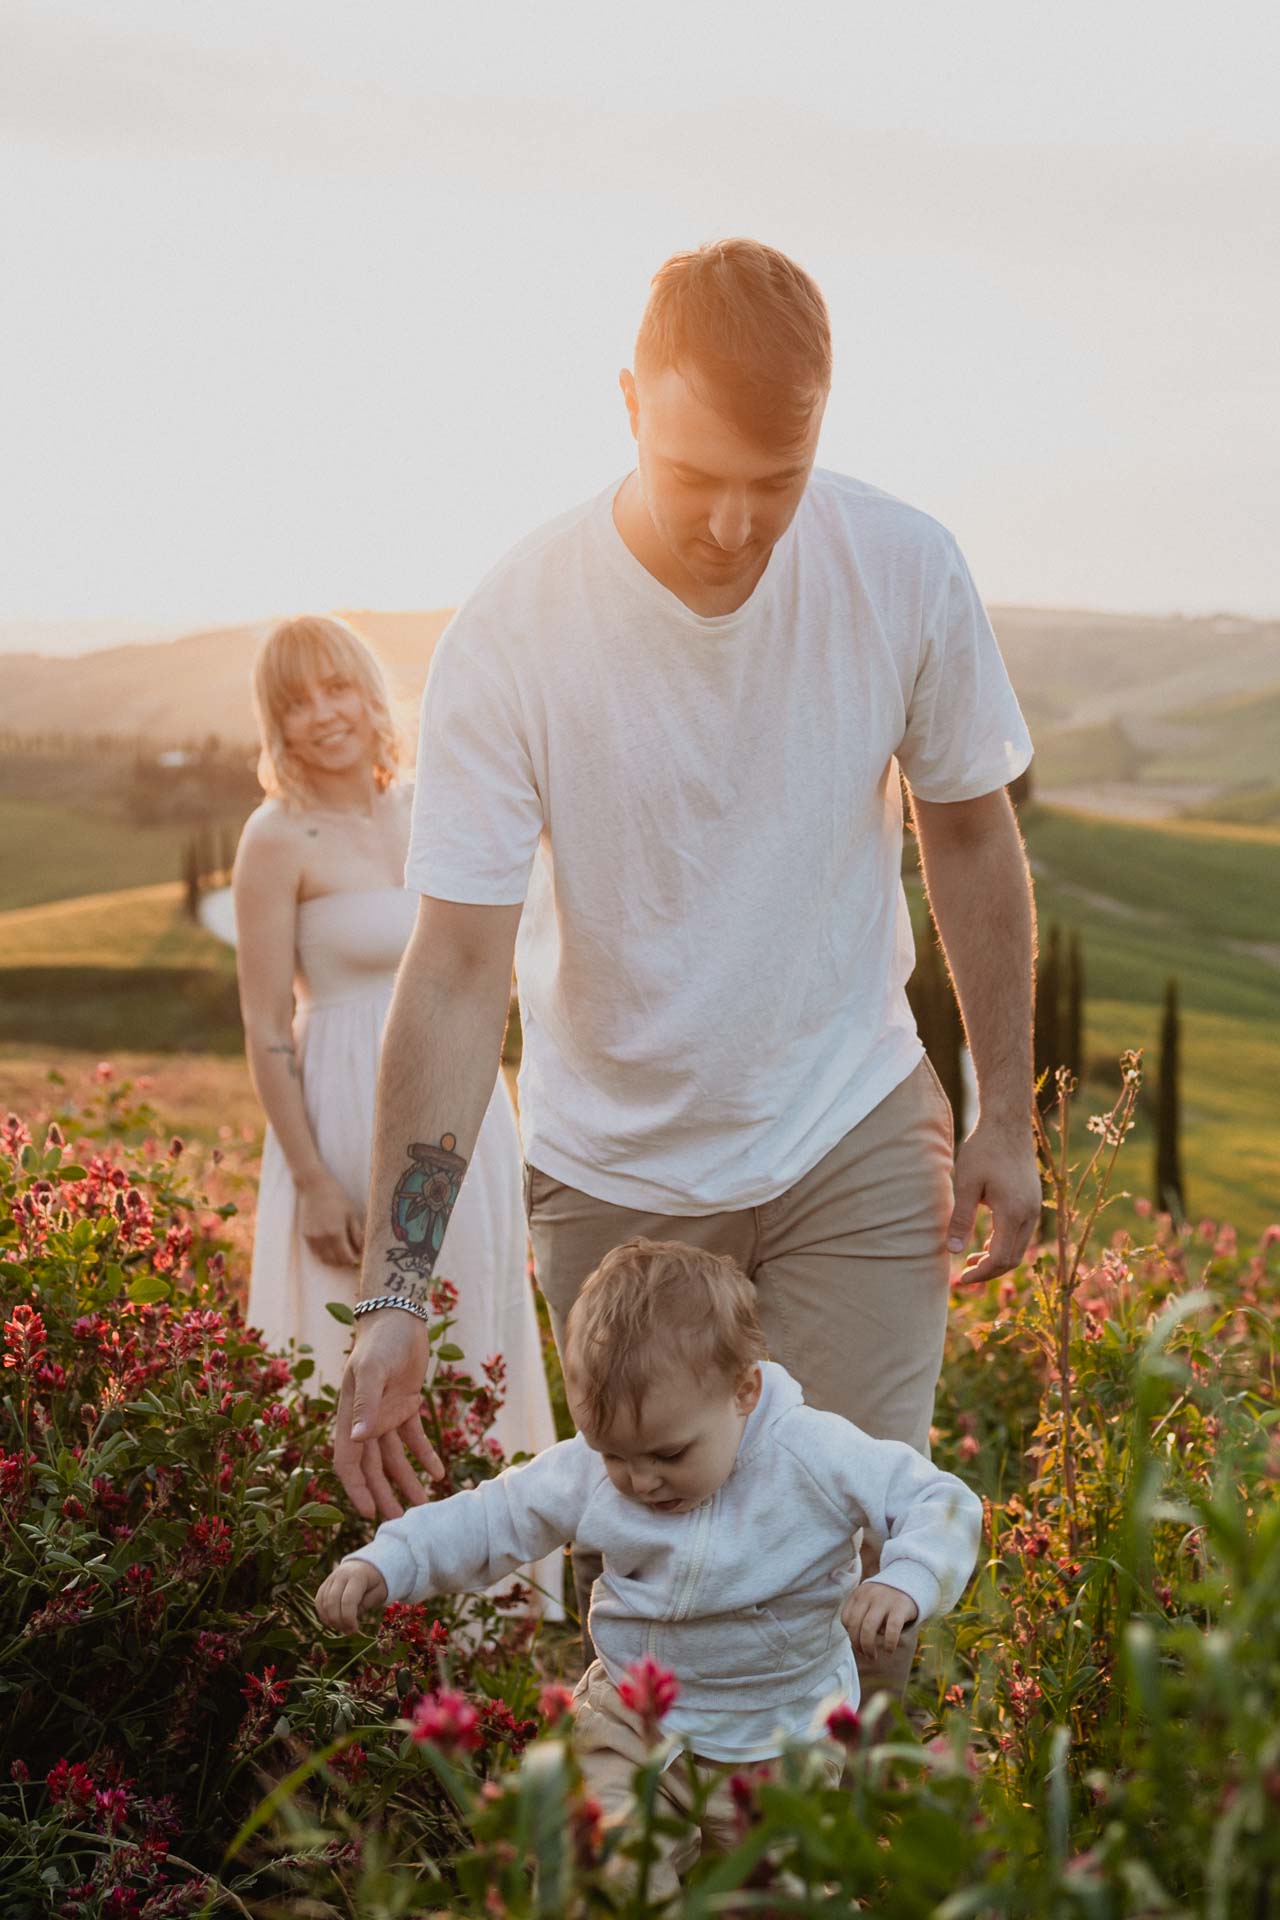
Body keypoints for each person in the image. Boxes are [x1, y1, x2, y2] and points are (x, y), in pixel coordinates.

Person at [333, 238, 1039, 1701]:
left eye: (775, 483)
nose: (732, 522)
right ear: (626, 404)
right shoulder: (514, 628)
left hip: (850, 1126)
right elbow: (459, 968)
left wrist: (1006, 1117)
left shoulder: (903, 567)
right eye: (696, 471)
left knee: (855, 1582)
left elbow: (970, 837)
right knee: (669, 1595)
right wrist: (399, 1289)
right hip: (621, 1182)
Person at [317, 1240, 983, 1897]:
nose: (641, 1480)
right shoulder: (594, 1468)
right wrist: (390, 1561)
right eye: (615, 1455)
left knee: (776, 1894)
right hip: (632, 1715)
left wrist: (906, 1578)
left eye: (668, 1454)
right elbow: (496, 1516)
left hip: (780, 1728)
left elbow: (937, 1500)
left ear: (744, 1391)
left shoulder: (811, 1450)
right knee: (601, 1866)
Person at [234, 614, 562, 1610]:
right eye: (296, 702)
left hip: (462, 1108)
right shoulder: (274, 837)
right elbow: (264, 1029)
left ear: (370, 692)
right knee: (352, 1344)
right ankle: (367, 1597)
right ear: (275, 724)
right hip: (336, 1120)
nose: (321, 715)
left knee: (477, 1328)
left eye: (335, 689)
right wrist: (311, 1178)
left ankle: (490, 1607)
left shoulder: (431, 804)